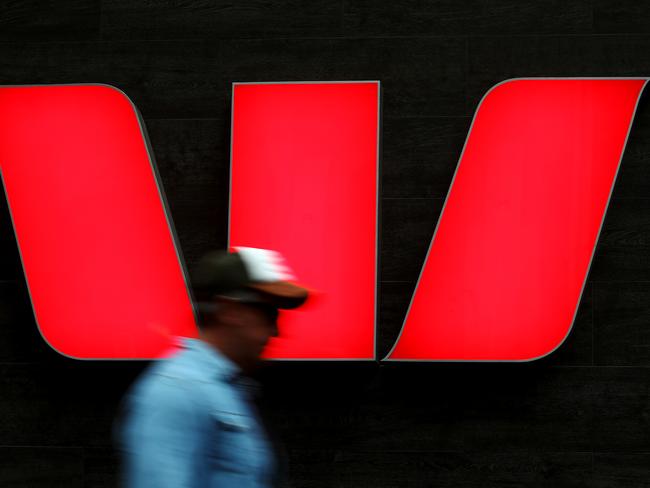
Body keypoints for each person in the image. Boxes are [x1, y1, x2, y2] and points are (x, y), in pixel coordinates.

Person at [114, 246, 310, 488]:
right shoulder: (178, 393)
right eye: (269, 314)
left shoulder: (225, 388)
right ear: (230, 310)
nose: (276, 332)